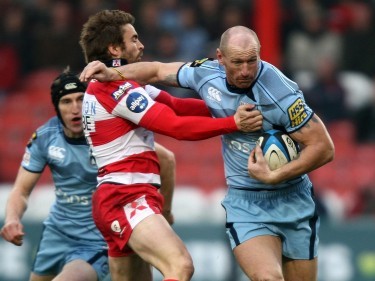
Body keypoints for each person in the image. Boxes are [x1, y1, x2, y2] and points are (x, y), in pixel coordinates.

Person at [80, 25, 335, 281]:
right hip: (246, 202)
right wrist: (114, 72)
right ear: (220, 58)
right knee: (267, 278)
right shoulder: (205, 72)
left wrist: (274, 176)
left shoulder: (282, 94)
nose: (245, 70)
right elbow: (156, 70)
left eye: (251, 61)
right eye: (237, 62)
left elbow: (324, 148)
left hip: (294, 200)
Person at [78, 10, 260, 281]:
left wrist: (228, 107)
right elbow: (174, 126)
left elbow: (176, 105)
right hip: (125, 195)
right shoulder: (114, 91)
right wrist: (233, 123)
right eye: (134, 39)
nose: (141, 46)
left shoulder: (121, 84)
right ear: (115, 48)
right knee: (180, 265)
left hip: (120, 196)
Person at [0, 67, 177, 281]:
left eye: (81, 99)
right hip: (55, 234)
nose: (75, 108)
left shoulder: (107, 132)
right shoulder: (45, 137)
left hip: (96, 238)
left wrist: (164, 212)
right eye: (66, 102)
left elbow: (166, 159)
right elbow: (21, 190)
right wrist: (12, 218)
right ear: (56, 107)